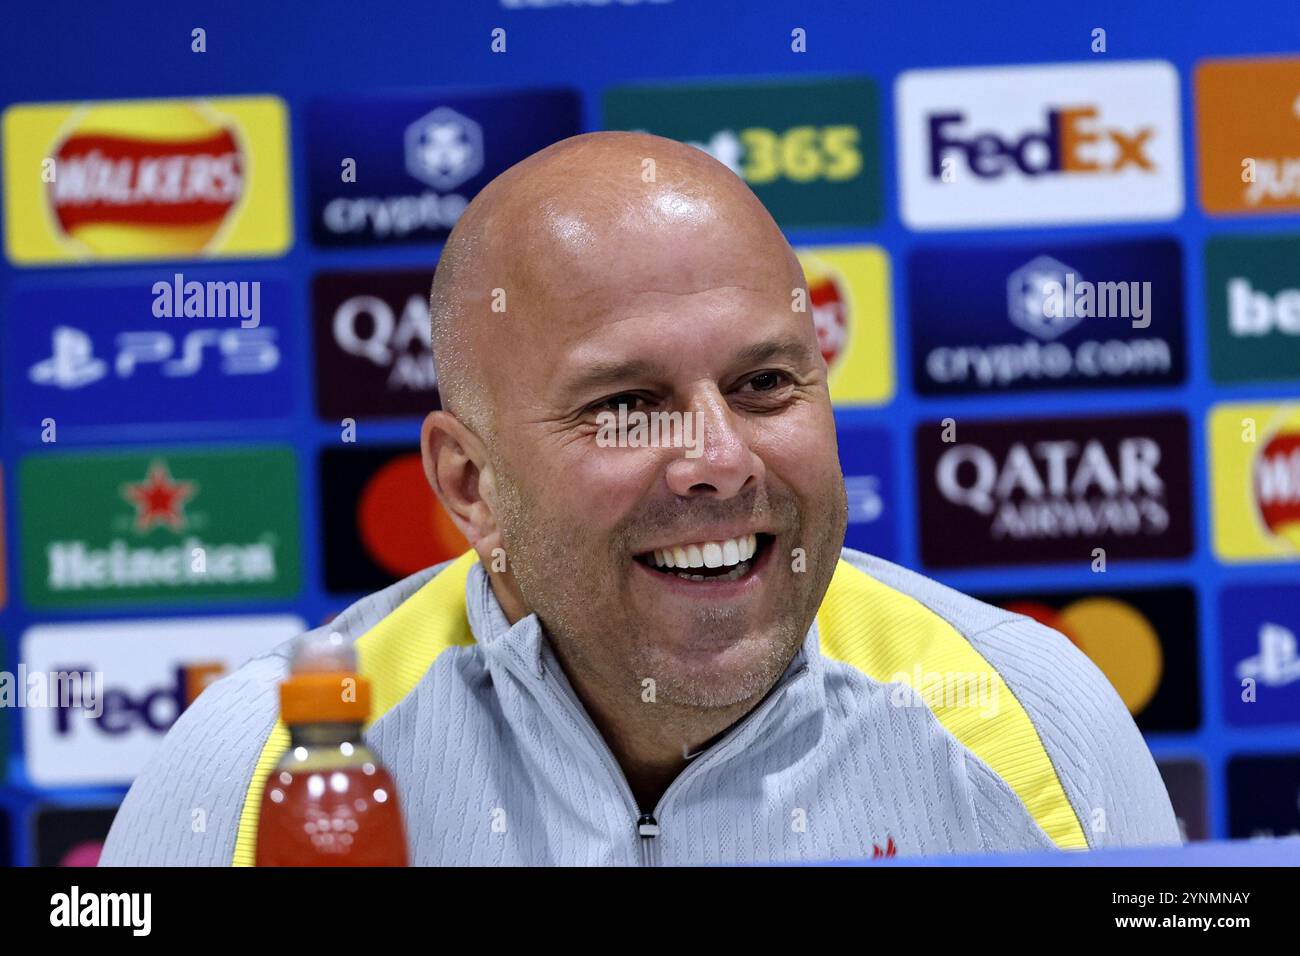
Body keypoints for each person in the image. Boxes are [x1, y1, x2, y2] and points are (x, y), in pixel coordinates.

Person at [101, 131, 1180, 866]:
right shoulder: (252, 774)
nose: (716, 458)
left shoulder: (1035, 721)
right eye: (625, 404)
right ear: (470, 484)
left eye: (763, 384)